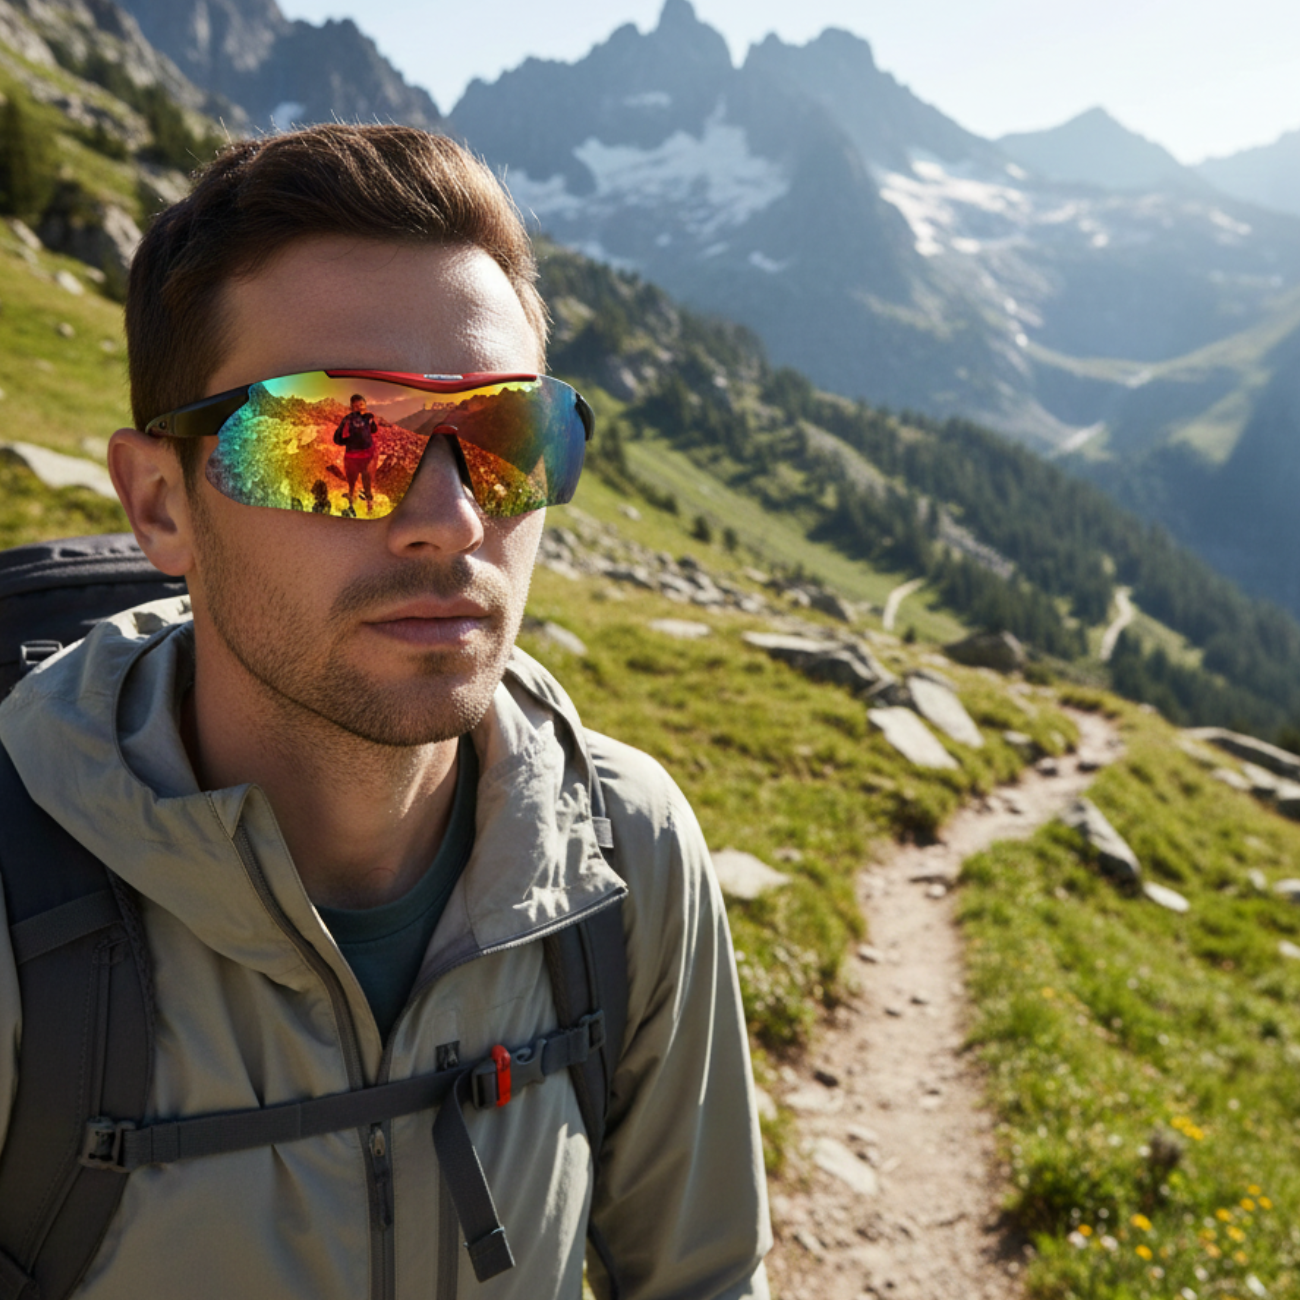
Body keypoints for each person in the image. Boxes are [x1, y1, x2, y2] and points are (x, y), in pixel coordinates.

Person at [0, 125, 770, 1298]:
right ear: (159, 503)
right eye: (341, 440)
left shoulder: (627, 853)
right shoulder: (16, 909)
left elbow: (703, 1279)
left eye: (505, 438)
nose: (452, 521)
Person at [334, 391, 379, 510]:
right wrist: (350, 442)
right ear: (352, 408)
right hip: (353, 457)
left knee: (363, 481)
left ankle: (367, 505)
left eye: (362, 405)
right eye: (356, 406)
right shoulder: (348, 419)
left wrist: (372, 422)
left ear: (365, 405)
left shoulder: (368, 417)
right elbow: (337, 438)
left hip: (365, 456)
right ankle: (353, 503)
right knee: (355, 481)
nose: (360, 408)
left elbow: (373, 430)